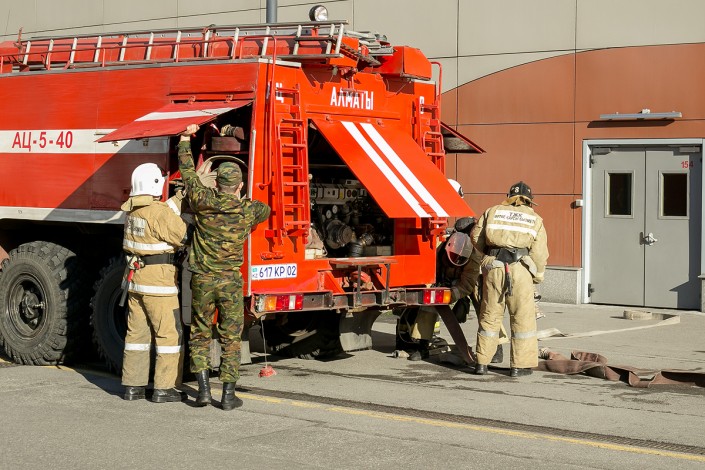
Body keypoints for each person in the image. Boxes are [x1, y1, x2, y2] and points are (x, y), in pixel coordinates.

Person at [178, 123, 271, 410]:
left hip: (203, 279)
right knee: (231, 337)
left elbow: (188, 174)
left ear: (216, 183)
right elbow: (266, 209)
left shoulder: (202, 200)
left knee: (200, 333)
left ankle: (203, 391)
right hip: (230, 282)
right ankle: (228, 395)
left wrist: (185, 140)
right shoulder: (249, 210)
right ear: (240, 186)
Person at [121, 163, 189, 403]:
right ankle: (164, 388)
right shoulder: (159, 214)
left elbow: (160, 214)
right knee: (168, 335)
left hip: (136, 282)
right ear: (156, 185)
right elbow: (182, 235)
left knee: (137, 336)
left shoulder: (132, 211)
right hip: (159, 285)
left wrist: (180, 198)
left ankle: (133, 387)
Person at [471, 181, 549, 377]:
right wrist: (537, 276)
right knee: (522, 319)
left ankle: (482, 363)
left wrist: (487, 257)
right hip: (520, 268)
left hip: (494, 267)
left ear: (509, 197)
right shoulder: (535, 218)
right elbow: (539, 253)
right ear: (529, 200)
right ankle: (518, 367)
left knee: (490, 316)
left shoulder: (492, 211)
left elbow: (476, 237)